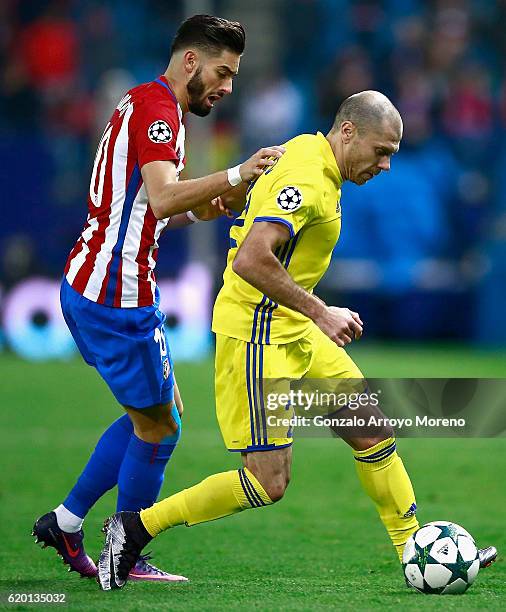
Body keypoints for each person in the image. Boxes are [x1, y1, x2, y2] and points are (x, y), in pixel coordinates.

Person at [95, 91, 497, 590]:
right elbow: (251, 259)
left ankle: (418, 551)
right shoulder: (307, 178)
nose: (387, 165)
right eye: (381, 151)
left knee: (372, 429)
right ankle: (134, 528)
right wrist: (320, 310)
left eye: (393, 153)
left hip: (291, 325)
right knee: (267, 483)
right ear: (348, 132)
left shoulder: (311, 154)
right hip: (258, 336)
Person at [32, 14, 285, 583]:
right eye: (222, 72)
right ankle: (125, 551)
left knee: (150, 417)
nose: (226, 87)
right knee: (161, 427)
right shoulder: (158, 109)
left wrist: (208, 203)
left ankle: (67, 522)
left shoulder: (147, 103)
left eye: (234, 77)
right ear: (191, 61)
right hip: (117, 297)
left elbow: (152, 204)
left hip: (93, 283)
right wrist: (235, 173)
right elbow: (165, 197)